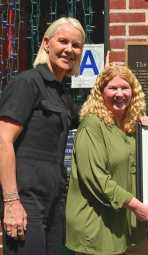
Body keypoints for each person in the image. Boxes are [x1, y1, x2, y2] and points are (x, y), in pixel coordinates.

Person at [65, 64, 148, 255]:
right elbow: (95, 178)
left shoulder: (133, 127)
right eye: (113, 88)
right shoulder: (92, 125)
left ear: (133, 92)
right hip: (99, 226)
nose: (120, 94)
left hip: (130, 226)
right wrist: (136, 205)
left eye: (125, 88)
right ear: (101, 93)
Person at [0, 17, 85, 255]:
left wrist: (137, 118)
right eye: (63, 41)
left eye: (76, 45)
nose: (69, 49)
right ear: (47, 43)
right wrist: (11, 203)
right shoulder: (27, 83)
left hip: (56, 200)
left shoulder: (63, 96)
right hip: (27, 200)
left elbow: (93, 120)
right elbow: (2, 140)